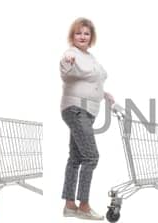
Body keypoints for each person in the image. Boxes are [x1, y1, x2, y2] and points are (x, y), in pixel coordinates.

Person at [58, 17, 114, 221]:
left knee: (76, 158)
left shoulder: (90, 57)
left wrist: (104, 94)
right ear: (72, 36)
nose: (82, 36)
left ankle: (69, 205)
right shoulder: (70, 55)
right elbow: (67, 73)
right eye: (78, 33)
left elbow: (92, 82)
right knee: (92, 157)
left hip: (89, 110)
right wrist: (68, 64)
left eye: (86, 33)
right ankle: (84, 205)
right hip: (76, 109)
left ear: (91, 37)